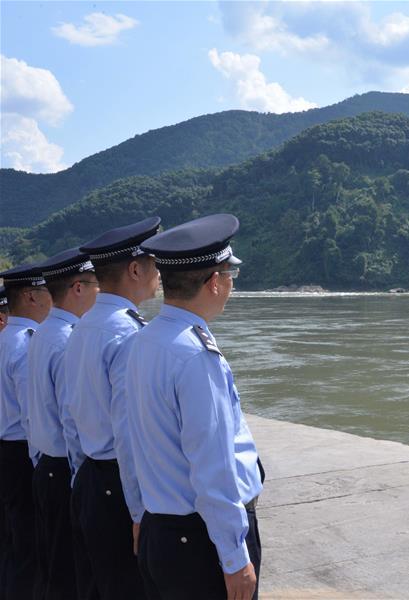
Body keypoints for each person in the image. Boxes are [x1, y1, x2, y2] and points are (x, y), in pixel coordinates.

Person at [128, 214, 263, 600]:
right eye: (229, 276)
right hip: (199, 542)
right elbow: (213, 468)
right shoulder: (195, 356)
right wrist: (235, 557)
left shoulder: (144, 341)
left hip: (162, 531)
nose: (231, 286)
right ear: (215, 282)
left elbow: (131, 440)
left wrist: (138, 513)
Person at [64, 217, 160, 600]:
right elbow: (128, 432)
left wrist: (78, 478)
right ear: (135, 269)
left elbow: (69, 415)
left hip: (89, 477)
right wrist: (138, 512)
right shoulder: (127, 334)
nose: (160, 273)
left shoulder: (83, 326)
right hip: (117, 486)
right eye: (155, 264)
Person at [27, 248, 100, 600]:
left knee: (52, 566)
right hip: (63, 470)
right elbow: (71, 419)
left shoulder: (41, 334)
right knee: (69, 575)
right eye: (95, 283)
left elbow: (31, 410)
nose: (100, 290)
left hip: (44, 464)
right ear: (78, 288)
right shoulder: (67, 340)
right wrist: (79, 477)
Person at [0, 262, 52, 599]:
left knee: (11, 541)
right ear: (31, 296)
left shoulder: (7, 338)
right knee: (30, 547)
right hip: (21, 452)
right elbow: (32, 414)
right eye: (47, 290)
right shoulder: (26, 345)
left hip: (7, 447)